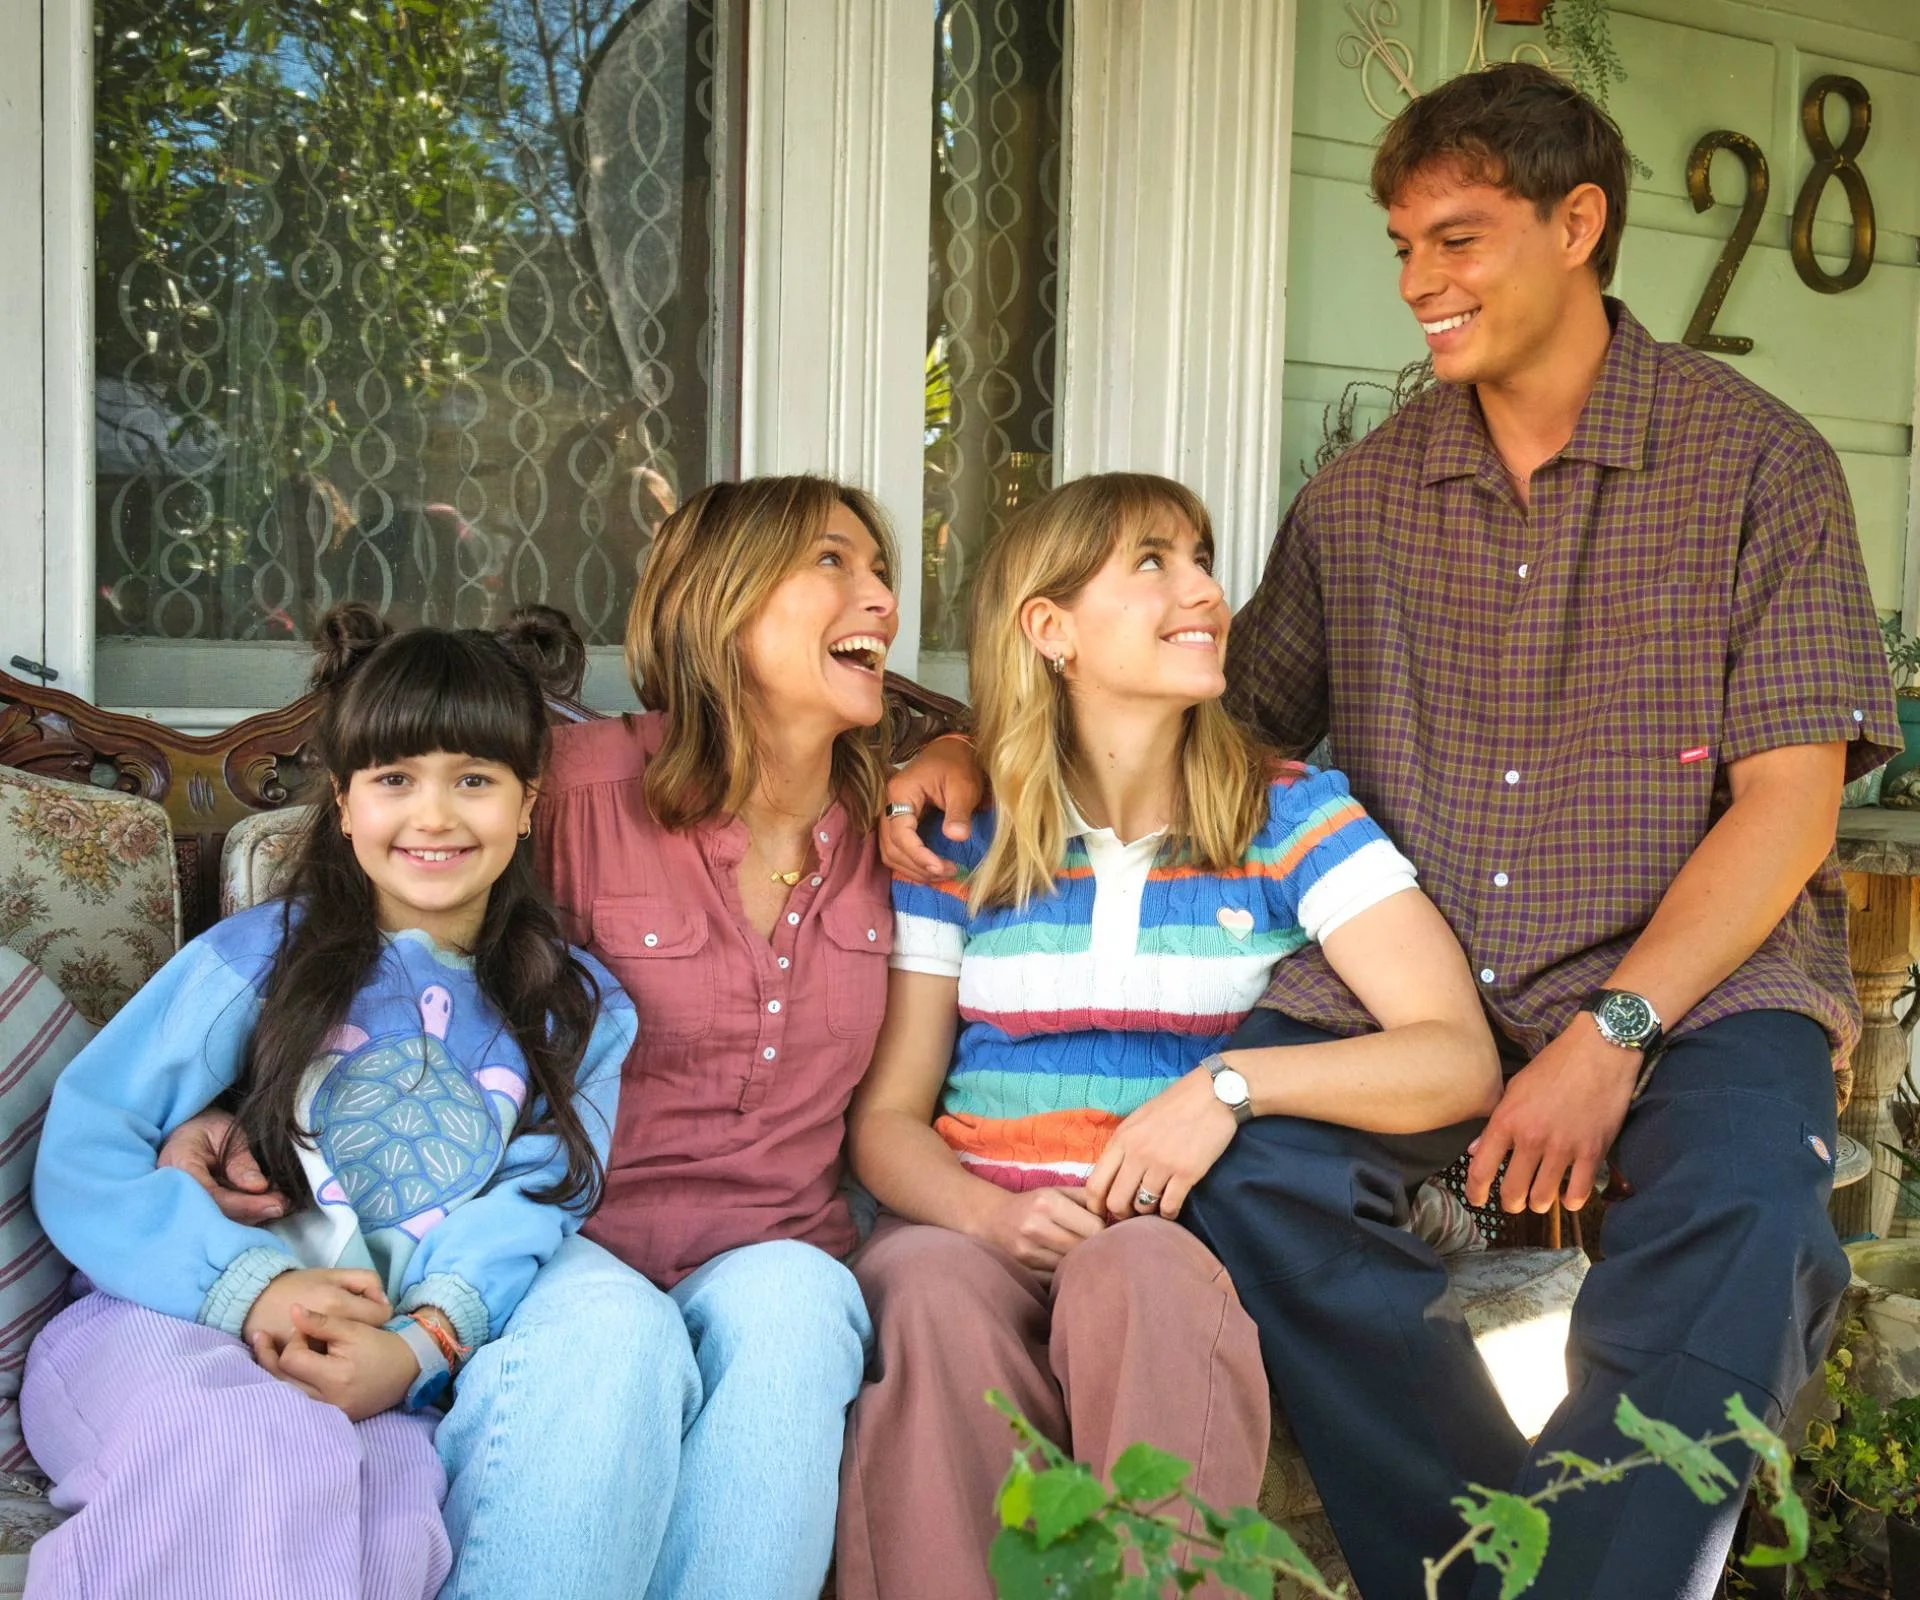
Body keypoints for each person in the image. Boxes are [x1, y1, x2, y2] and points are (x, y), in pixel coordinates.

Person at [884, 64, 1898, 1600]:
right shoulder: (1359, 503)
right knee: (1245, 1188)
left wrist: (1613, 1032)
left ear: (1578, 225)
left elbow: (1791, 804)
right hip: (1428, 995)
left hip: (1693, 995)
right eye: (1402, 247)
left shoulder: (1760, 469)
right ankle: (1509, 1569)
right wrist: (978, 727)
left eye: (1460, 240)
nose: (1420, 284)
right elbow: (1224, 723)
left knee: (1752, 1221)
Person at [164, 475, 900, 1600]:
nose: (884, 597)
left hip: (772, 1240)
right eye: (835, 563)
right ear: (720, 604)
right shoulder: (572, 788)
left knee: (803, 1310)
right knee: (615, 1342)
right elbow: (385, 931)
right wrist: (236, 1108)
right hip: (556, 1232)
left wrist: (953, 770)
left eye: (882, 569)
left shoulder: (908, 832)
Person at [840, 473, 1503, 1600]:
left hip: (1165, 1241)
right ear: (1049, 629)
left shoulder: (1288, 814)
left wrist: (1231, 1085)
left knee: (1142, 1273)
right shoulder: (965, 837)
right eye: (1152, 562)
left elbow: (1455, 1056)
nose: (1205, 588)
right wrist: (989, 1216)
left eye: (1200, 557)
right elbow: (890, 1119)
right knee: (925, 1284)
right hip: (977, 1221)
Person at [21, 606, 634, 1600]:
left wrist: (416, 1345)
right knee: (263, 1446)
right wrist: (250, 1286)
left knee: (395, 1503)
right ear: (345, 802)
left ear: (527, 803)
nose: (434, 816)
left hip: (377, 1374)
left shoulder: (577, 1011)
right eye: (395, 780)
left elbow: (534, 1204)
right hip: (169, 1328)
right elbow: (94, 1138)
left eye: (473, 780)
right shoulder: (259, 956)